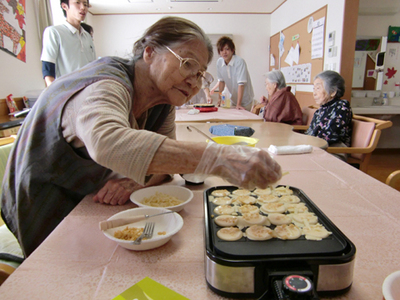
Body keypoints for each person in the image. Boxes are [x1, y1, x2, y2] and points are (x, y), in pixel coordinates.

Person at [1, 16, 281, 257]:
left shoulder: (164, 103)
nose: (194, 82)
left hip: (88, 195)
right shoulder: (106, 82)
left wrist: (135, 180)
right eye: (187, 64)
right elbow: (107, 141)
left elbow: (167, 165)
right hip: (41, 197)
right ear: (149, 52)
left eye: (200, 75)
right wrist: (217, 158)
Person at [40, 0, 96, 87]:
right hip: (66, 92)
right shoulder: (54, 32)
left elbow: (93, 67)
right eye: (77, 2)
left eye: (85, 4)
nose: (83, 7)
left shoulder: (88, 37)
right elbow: (48, 68)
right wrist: (53, 93)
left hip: (87, 92)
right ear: (64, 6)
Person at [305, 70, 352, 160]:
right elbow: (310, 132)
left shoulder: (341, 107)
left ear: (333, 92)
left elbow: (330, 136)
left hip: (333, 150)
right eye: (314, 88)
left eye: (318, 88)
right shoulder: (321, 109)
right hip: (317, 148)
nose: (314, 93)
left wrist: (308, 144)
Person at [216, 36, 254, 111]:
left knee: (243, 122)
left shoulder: (239, 62)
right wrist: (219, 99)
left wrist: (238, 104)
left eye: (227, 49)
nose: (224, 52)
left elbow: (241, 84)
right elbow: (221, 82)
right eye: (221, 50)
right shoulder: (219, 62)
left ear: (232, 50)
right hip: (233, 100)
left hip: (245, 101)